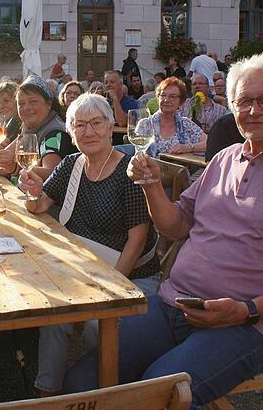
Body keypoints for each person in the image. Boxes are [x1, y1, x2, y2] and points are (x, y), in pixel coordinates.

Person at [64, 54, 263, 406]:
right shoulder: (224, 158)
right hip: (173, 305)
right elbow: (176, 225)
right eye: (244, 102)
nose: (254, 110)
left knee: (157, 394)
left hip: (241, 326)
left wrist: (248, 310)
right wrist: (152, 185)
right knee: (80, 380)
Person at [19, 92, 159, 395]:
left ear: (111, 127)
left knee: (99, 324)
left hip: (131, 275)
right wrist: (31, 191)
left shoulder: (129, 170)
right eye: (80, 125)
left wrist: (114, 288)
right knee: (53, 313)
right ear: (71, 131)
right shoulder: (71, 164)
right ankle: (48, 391)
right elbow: (40, 205)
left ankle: (102, 387)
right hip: (85, 271)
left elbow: (138, 238)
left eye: (96, 123)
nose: (88, 131)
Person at [0, 75, 76, 181]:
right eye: (21, 104)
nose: (26, 108)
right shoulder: (33, 128)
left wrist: (15, 167)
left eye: (33, 102)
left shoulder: (54, 133)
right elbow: (0, 167)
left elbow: (51, 173)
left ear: (48, 104)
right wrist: (4, 158)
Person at [148, 77, 206, 156]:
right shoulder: (146, 124)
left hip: (181, 167)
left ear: (181, 102)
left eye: (172, 96)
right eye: (163, 95)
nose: (166, 100)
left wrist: (188, 147)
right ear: (158, 98)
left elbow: (208, 143)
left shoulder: (186, 124)